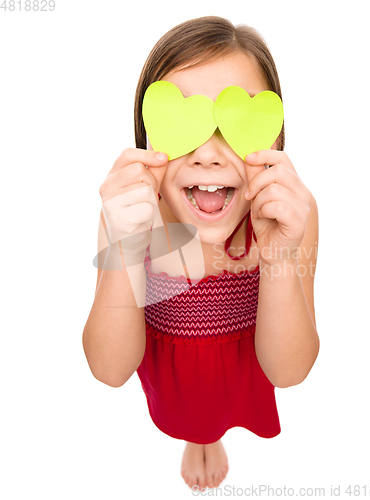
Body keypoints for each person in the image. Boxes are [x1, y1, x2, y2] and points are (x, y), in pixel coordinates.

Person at [82, 16, 320, 491]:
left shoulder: (292, 218)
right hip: (173, 375)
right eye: (183, 124)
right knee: (191, 419)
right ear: (147, 140)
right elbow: (109, 370)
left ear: (274, 139)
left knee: (223, 409)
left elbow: (290, 371)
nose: (208, 155)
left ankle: (212, 434)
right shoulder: (135, 218)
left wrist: (276, 261)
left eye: (235, 126)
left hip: (247, 365)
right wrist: (127, 246)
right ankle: (198, 437)